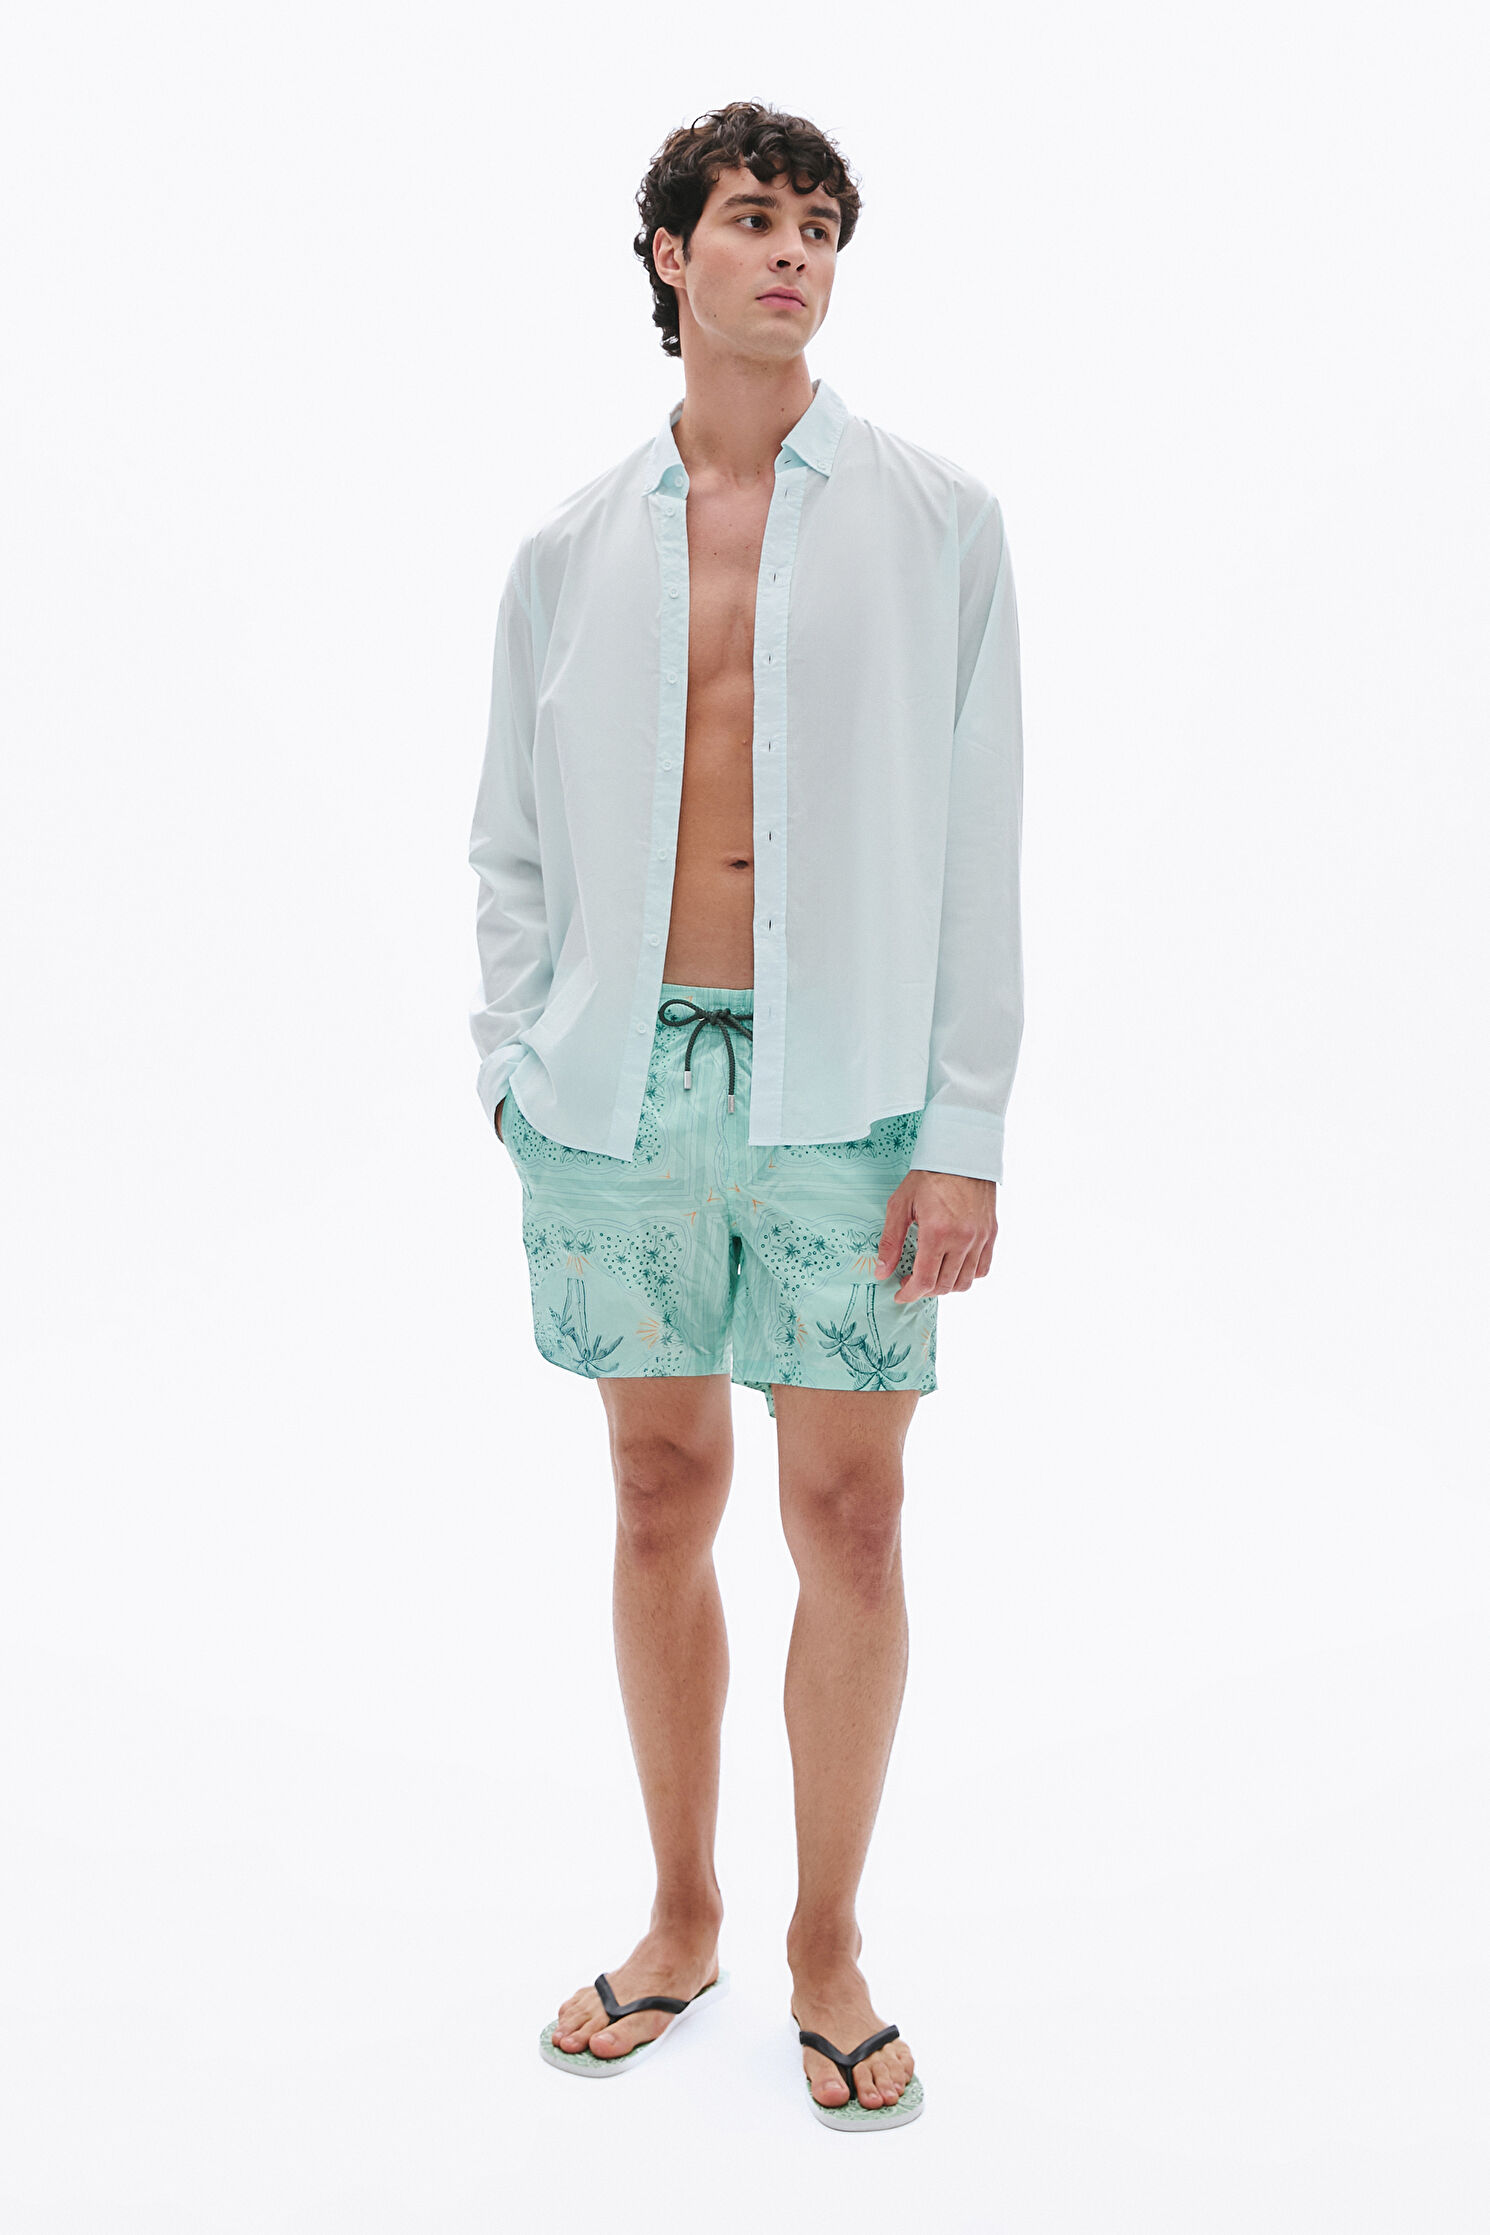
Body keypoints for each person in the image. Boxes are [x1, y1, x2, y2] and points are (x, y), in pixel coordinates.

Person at [468, 100, 1024, 2132]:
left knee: (850, 1515)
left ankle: (828, 1943)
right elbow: (508, 846)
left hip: (847, 1091)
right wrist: (517, 1064)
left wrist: (964, 1121)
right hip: (614, 1093)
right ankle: (682, 1913)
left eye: (819, 228)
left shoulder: (937, 519)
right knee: (654, 1493)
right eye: (753, 219)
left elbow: (979, 836)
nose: (792, 253)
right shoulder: (564, 549)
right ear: (667, 257)